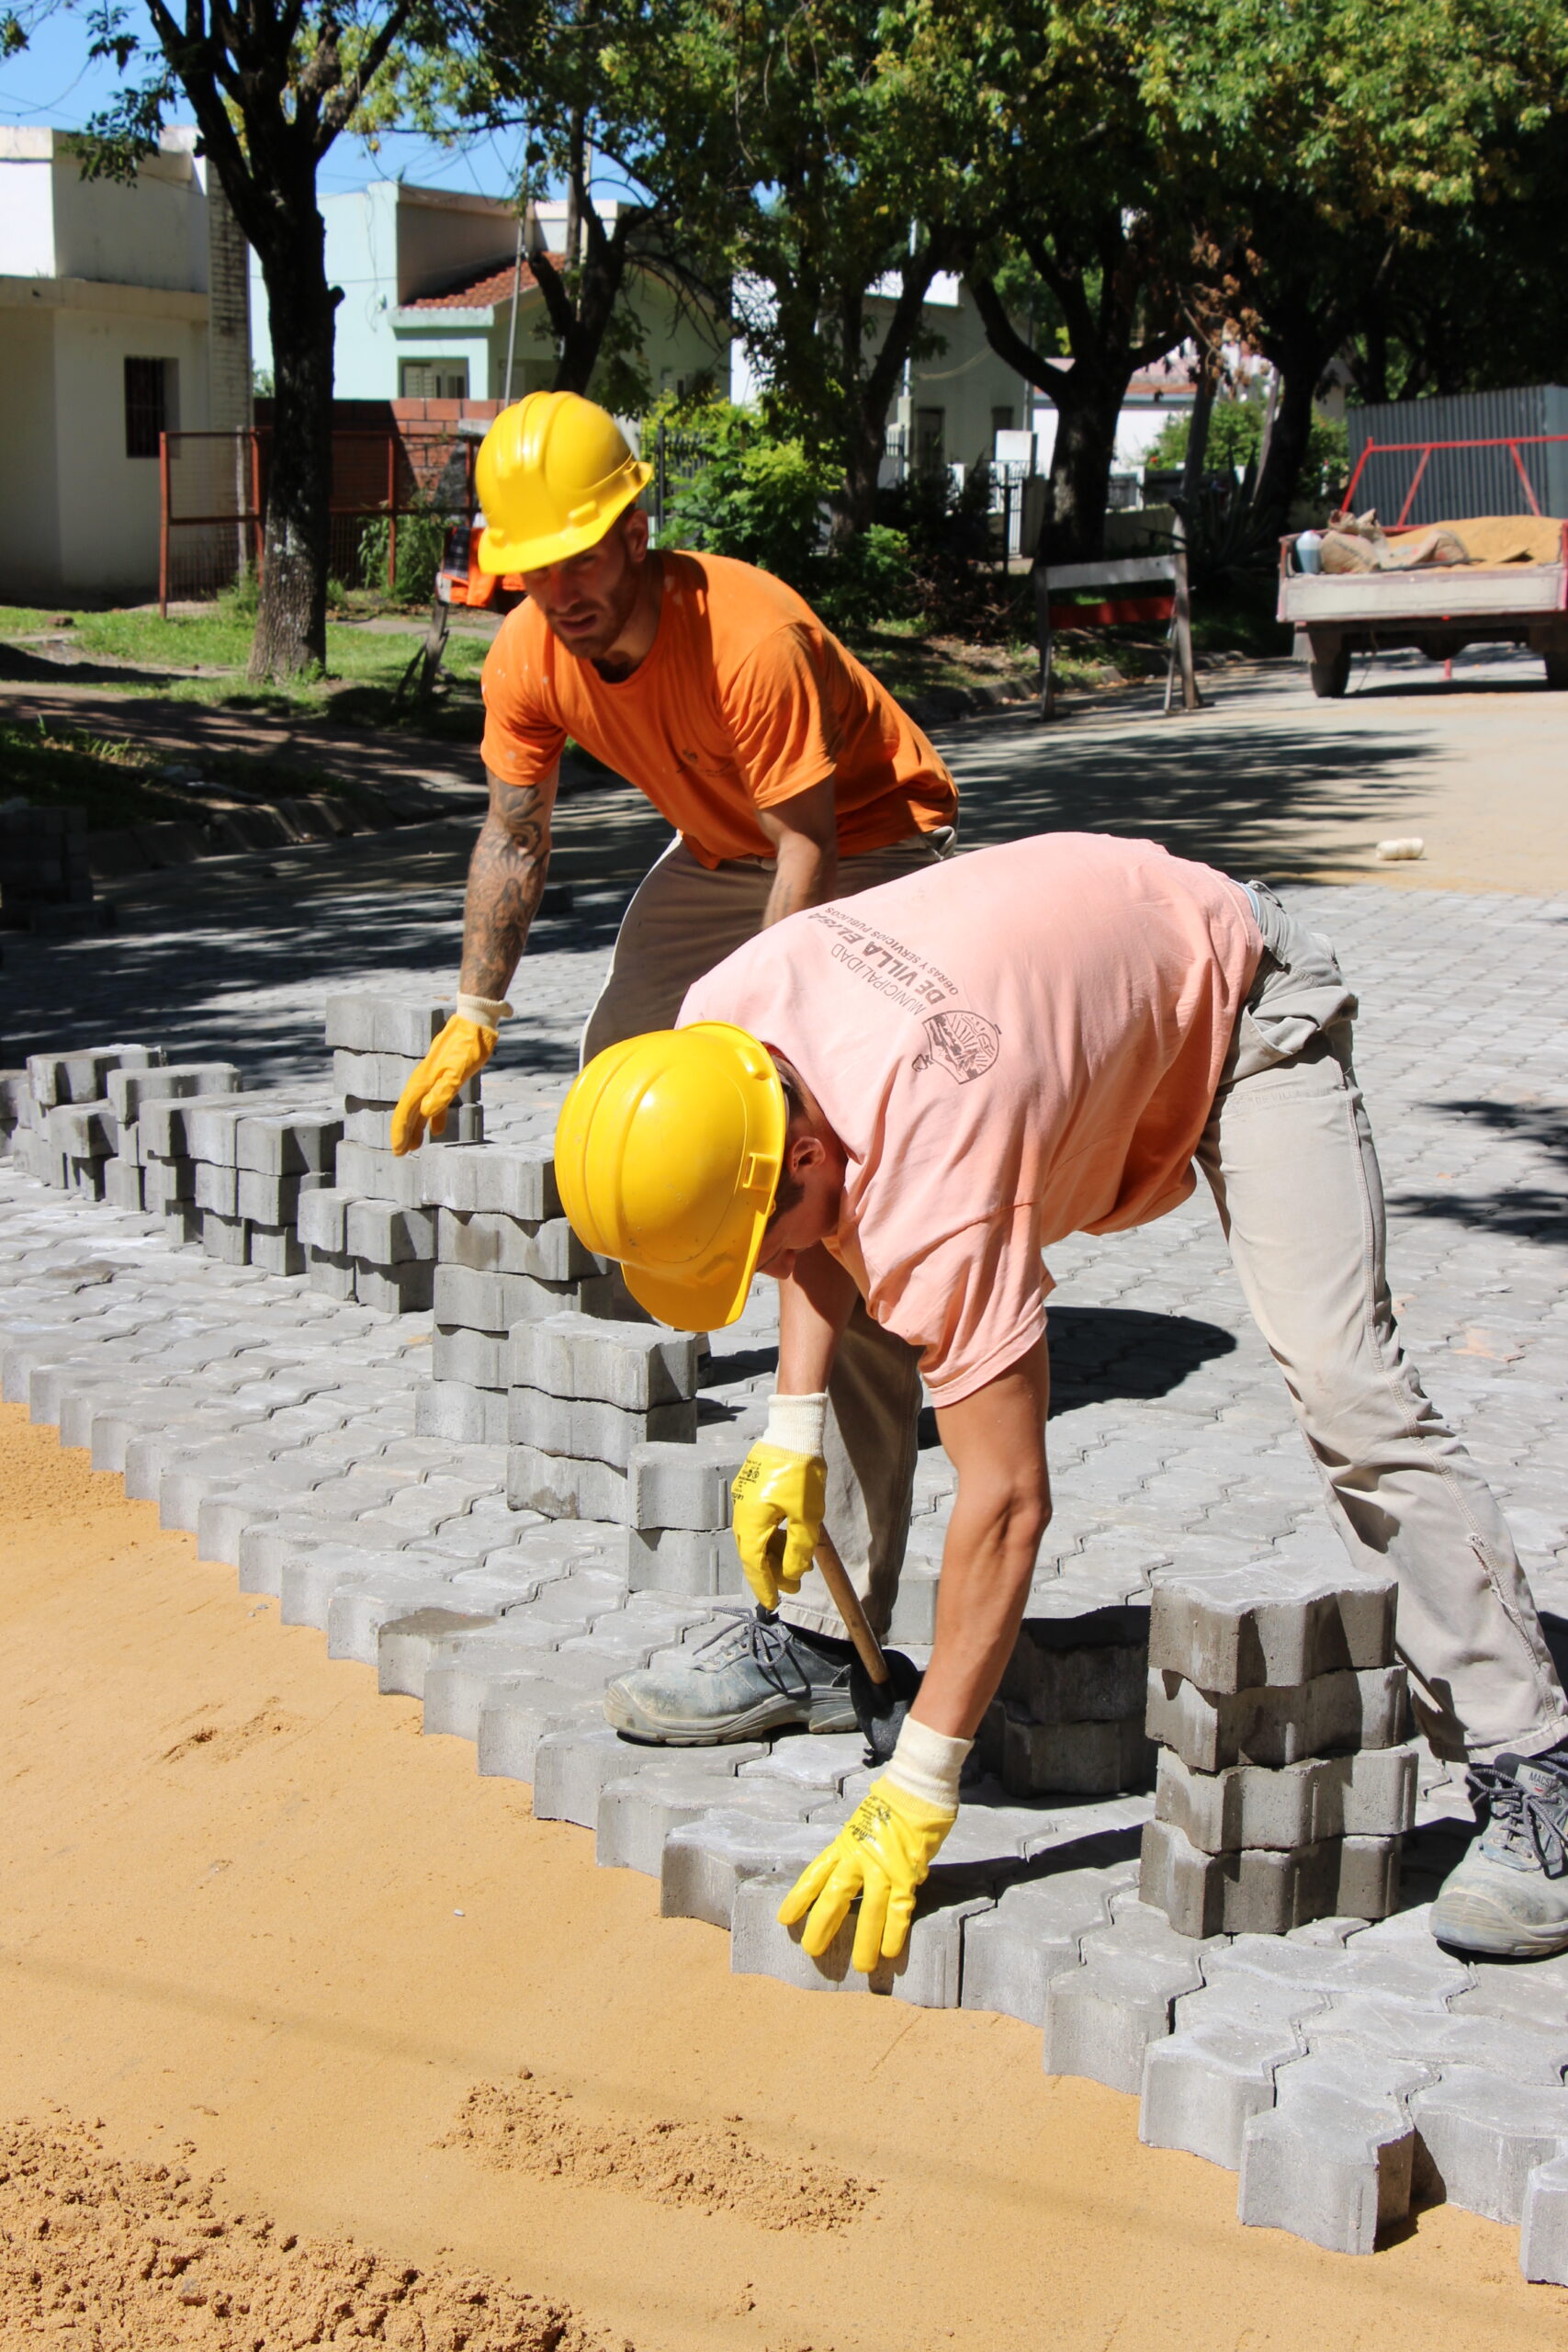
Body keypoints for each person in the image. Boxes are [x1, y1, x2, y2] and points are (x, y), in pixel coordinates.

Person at [553, 831, 1568, 1971]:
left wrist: (922, 1782)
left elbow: (1007, 1504)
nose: (771, 1271)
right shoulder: (723, 1027)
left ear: (795, 1154)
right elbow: (814, 1217)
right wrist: (791, 1430)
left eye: (761, 1245)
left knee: (1349, 1390)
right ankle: (828, 1649)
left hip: (1240, 1003)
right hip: (1054, 1001)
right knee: (849, 1273)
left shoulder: (939, 1164)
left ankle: (1530, 1754)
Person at [391, 390, 958, 1714]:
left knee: (822, 1181)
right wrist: (477, 1006)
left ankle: (836, 1624)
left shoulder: (745, 634)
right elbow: (516, 836)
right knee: (618, 1081)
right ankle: (678, 1313)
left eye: (585, 554)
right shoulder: (528, 656)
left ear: (639, 524)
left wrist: (755, 1075)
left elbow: (811, 850)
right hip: (721, 855)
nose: (565, 589)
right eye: (538, 567)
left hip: (870, 846)